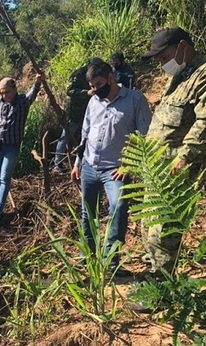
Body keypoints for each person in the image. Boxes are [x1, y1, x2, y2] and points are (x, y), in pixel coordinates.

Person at [139, 26, 206, 274]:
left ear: (183, 46)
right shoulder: (178, 77)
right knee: (148, 223)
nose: (161, 63)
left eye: (163, 56)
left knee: (164, 227)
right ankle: (152, 273)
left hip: (176, 168)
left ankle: (161, 286)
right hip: (157, 168)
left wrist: (184, 158)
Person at [70, 58, 152, 277]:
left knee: (119, 207)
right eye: (92, 86)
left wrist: (129, 164)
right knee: (88, 213)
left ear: (110, 77)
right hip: (89, 165)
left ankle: (111, 260)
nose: (95, 90)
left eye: (98, 84)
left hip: (115, 169)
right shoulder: (94, 101)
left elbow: (145, 135)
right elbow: (85, 134)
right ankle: (87, 255)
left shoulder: (135, 100)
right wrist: (78, 163)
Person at [0, 72, 44, 223]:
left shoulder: (22, 102)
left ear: (14, 89)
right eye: (1, 92)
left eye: (6, 92)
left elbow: (33, 92)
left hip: (12, 146)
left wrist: (38, 82)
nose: (4, 95)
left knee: (5, 176)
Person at [54, 62, 93, 173]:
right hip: (76, 112)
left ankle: (84, 164)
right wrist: (86, 93)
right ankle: (57, 163)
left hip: (90, 112)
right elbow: (69, 91)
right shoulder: (79, 74)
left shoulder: (96, 74)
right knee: (66, 135)